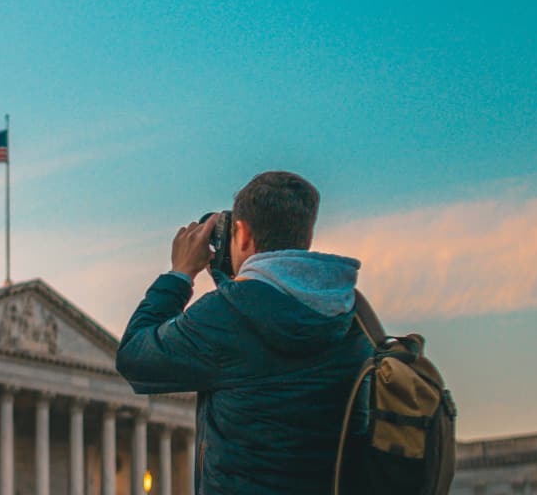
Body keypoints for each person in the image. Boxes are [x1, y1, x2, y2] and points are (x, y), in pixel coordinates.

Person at [116, 171, 371, 495]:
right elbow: (266, 322)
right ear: (305, 235)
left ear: (243, 233)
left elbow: (134, 357)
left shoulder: (225, 319)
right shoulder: (350, 315)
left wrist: (180, 275)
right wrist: (232, 283)